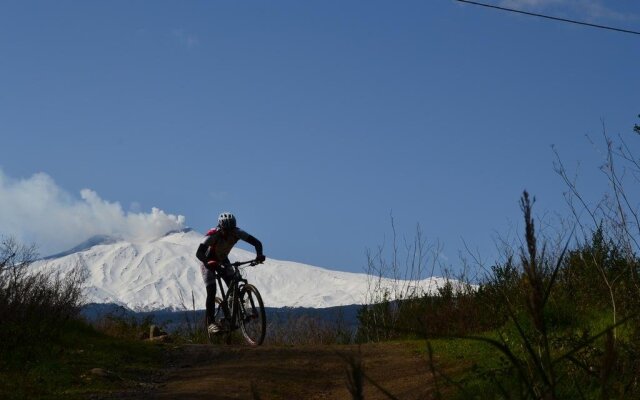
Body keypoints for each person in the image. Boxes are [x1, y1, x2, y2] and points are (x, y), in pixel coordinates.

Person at [195, 212, 265, 334]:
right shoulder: (213, 234)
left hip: (222, 260)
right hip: (208, 261)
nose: (228, 233)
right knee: (211, 290)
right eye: (225, 230)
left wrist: (259, 255)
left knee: (234, 284)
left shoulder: (237, 232)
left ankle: (230, 315)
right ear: (220, 227)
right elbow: (199, 253)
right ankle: (211, 323)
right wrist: (208, 262)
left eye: (231, 230)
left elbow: (257, 243)